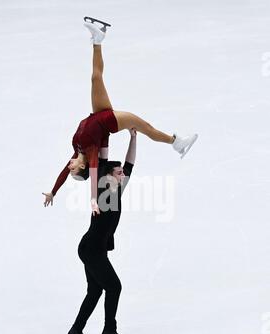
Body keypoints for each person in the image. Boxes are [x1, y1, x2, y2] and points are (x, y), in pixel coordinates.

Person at [42, 18, 198, 215]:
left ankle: (98, 40)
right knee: (146, 127)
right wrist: (93, 200)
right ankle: (176, 143)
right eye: (73, 169)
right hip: (110, 121)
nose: (69, 167)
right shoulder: (91, 155)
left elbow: (63, 174)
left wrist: (53, 192)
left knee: (95, 77)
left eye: (71, 169)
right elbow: (92, 174)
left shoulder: (77, 149)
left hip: (98, 112)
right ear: (82, 166)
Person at [63, 128, 137, 334]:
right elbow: (102, 159)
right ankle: (109, 331)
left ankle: (75, 332)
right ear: (108, 175)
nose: (122, 173)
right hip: (92, 249)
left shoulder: (116, 192)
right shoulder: (103, 192)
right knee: (114, 287)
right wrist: (102, 135)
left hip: (93, 248)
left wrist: (133, 138)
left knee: (95, 291)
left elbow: (129, 162)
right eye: (118, 171)